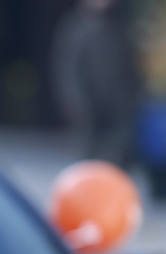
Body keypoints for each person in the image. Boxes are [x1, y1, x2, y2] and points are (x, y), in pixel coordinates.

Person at [50, 0, 144, 169]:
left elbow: (129, 68)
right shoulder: (75, 28)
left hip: (117, 108)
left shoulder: (118, 27)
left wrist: (131, 99)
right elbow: (67, 69)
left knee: (117, 158)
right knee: (88, 162)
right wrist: (75, 102)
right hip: (88, 108)